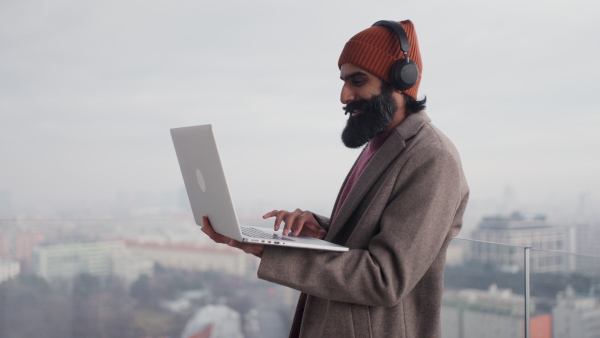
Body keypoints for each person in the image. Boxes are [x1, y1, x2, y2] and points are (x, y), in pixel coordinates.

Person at [202, 19, 469, 338]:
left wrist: (269, 251)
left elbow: (384, 279)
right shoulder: (379, 145)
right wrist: (323, 231)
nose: (344, 95)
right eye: (343, 81)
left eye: (358, 81)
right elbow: (372, 237)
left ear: (402, 80)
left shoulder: (431, 158)